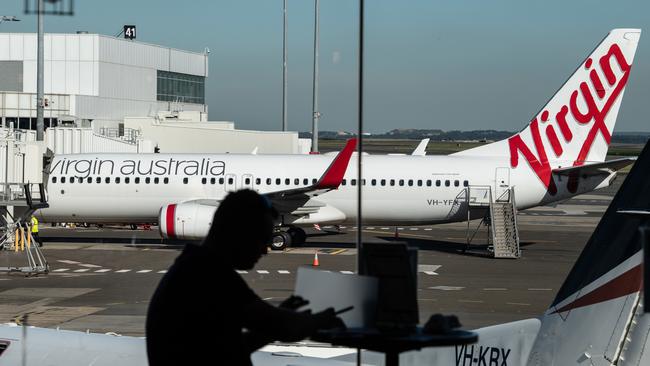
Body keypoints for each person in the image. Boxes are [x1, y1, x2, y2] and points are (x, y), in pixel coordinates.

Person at [146, 189, 344, 366]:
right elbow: (286, 328)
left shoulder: (195, 267)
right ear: (239, 234)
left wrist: (279, 317)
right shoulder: (210, 277)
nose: (264, 251)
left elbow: (229, 349)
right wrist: (325, 318)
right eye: (260, 239)